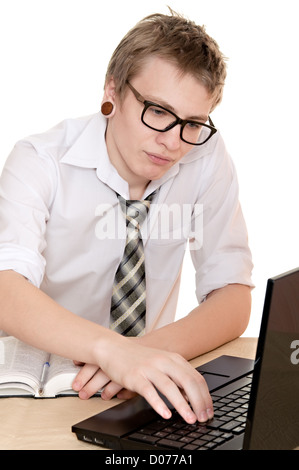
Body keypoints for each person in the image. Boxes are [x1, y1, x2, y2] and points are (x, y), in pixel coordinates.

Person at [0, 10, 253, 425]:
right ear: (112, 90)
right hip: (41, 391)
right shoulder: (40, 160)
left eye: (192, 123)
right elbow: (6, 287)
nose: (173, 141)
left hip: (138, 386)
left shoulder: (206, 156)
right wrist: (111, 350)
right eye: (156, 111)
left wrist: (147, 351)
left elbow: (232, 292)